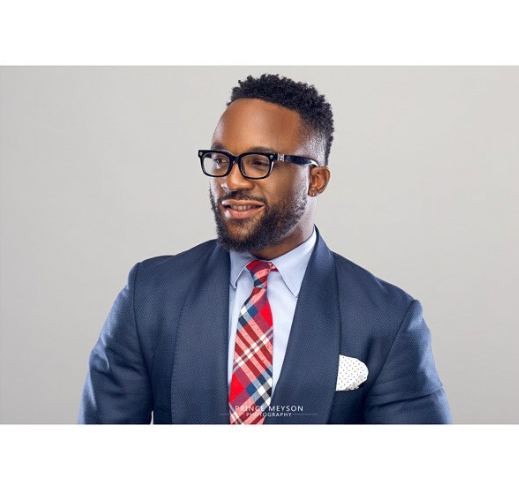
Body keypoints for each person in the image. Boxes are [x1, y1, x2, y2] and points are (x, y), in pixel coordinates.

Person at [78, 74, 452, 424]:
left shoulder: (387, 319)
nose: (232, 180)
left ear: (316, 180)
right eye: (221, 160)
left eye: (259, 162)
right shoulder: (151, 295)